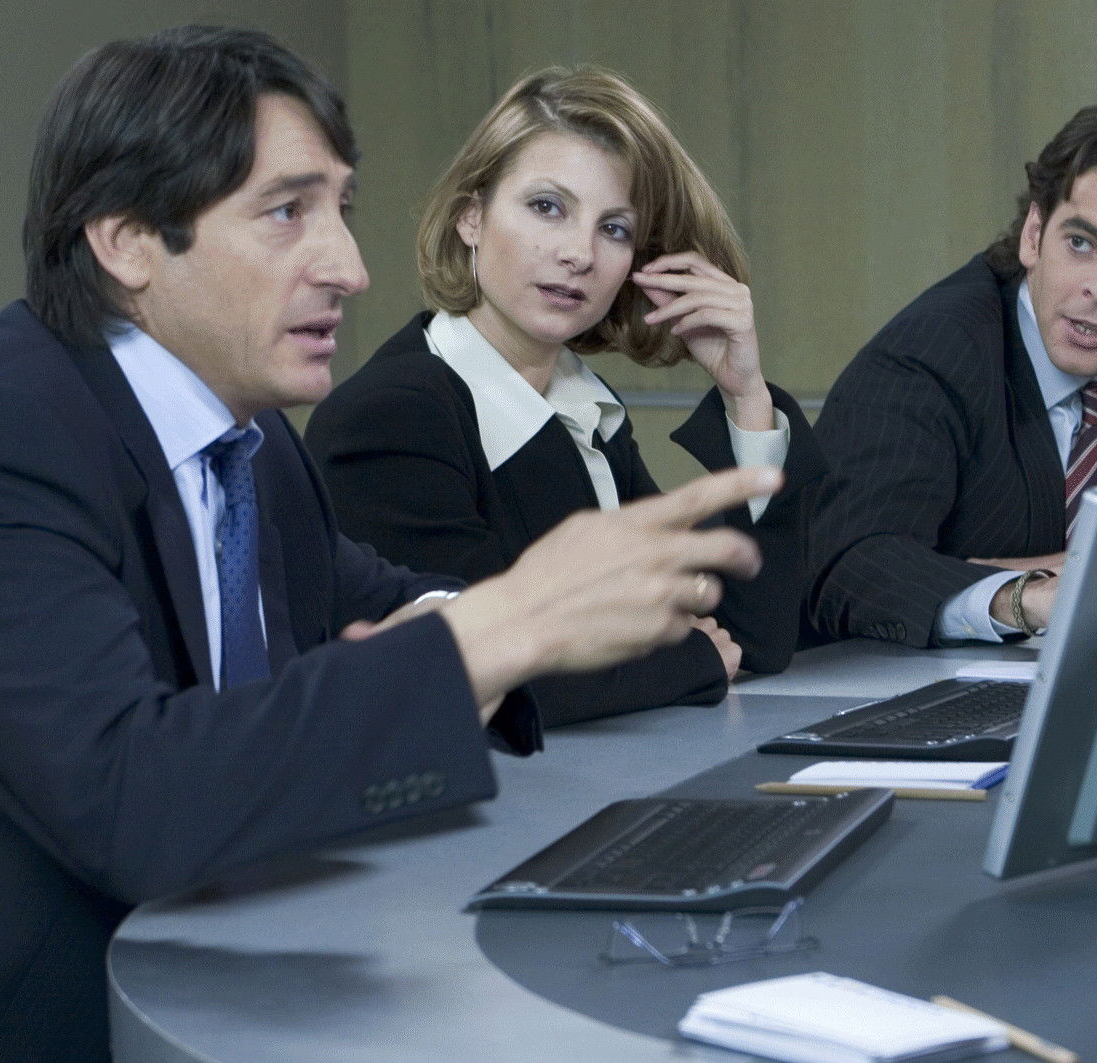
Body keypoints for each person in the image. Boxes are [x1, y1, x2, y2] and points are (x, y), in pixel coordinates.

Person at [0, 27, 777, 1062]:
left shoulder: (246, 440)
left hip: (166, 981)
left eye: (340, 208)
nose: (348, 266)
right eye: (287, 213)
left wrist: (462, 621)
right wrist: (503, 625)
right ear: (126, 240)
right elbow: (134, 796)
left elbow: (372, 599)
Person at [304, 67, 825, 726]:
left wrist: (744, 391)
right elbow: (483, 667)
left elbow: (753, 635)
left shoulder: (584, 406)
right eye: (547, 207)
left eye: (614, 229)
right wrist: (690, 657)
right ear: (471, 216)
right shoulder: (390, 415)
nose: (579, 253)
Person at [806, 102, 1097, 648]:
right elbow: (849, 563)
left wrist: (1069, 568)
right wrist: (1028, 597)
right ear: (1034, 233)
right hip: (884, 687)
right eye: (1081, 243)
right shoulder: (934, 354)